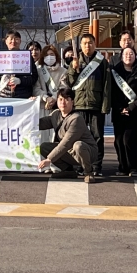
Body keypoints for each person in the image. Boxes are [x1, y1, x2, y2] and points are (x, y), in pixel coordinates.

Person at [67, 33, 109, 176]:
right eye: (84, 43)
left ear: (94, 44)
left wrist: (105, 106)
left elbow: (106, 85)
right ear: (80, 45)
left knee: (97, 136)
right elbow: (70, 83)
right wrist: (73, 69)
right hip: (79, 105)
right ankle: (80, 165)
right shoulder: (75, 60)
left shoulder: (102, 62)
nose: (87, 46)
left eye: (90, 43)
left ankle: (96, 166)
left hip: (96, 104)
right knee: (78, 137)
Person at [37, 87, 98, 184]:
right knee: (44, 147)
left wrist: (49, 159)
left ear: (72, 102)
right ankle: (68, 171)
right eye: (60, 99)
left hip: (87, 151)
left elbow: (66, 143)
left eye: (67, 99)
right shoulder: (56, 114)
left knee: (78, 145)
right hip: (70, 152)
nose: (63, 102)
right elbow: (39, 124)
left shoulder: (76, 118)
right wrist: (29, 112)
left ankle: (88, 172)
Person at [110, 46, 137, 176]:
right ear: (121, 56)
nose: (128, 56)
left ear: (135, 55)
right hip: (119, 112)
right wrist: (120, 108)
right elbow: (112, 93)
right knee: (119, 140)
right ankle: (123, 167)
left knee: (131, 139)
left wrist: (131, 108)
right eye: (126, 54)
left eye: (131, 53)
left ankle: (135, 166)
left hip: (136, 112)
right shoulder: (115, 72)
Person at [35, 44, 68, 143]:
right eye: (46, 55)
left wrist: (54, 98)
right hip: (42, 107)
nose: (49, 57)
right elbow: (36, 89)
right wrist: (46, 98)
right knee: (42, 137)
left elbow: (64, 88)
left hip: (57, 108)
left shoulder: (63, 71)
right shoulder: (38, 70)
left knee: (56, 137)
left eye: (52, 54)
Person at [0, 30, 37, 99]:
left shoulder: (26, 57)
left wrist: (20, 80)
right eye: (11, 39)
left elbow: (34, 77)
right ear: (6, 41)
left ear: (20, 41)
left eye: (16, 39)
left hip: (23, 97)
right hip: (3, 97)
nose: (13, 41)